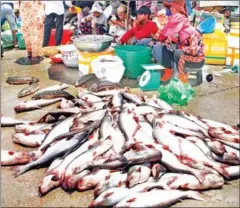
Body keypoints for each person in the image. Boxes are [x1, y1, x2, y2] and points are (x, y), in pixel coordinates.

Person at [152, 2, 205, 81]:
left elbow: (193, 51)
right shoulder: (180, 31)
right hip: (184, 54)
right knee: (165, 48)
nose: (171, 9)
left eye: (173, 8)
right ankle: (168, 71)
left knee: (178, 52)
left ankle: (182, 76)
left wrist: (180, 47)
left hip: (196, 59)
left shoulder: (192, 33)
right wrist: (170, 41)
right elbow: (169, 33)